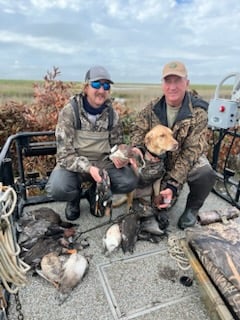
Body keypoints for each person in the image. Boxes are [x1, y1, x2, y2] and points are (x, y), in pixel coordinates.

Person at [130, 61, 216, 230]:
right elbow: (138, 132)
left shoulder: (198, 112)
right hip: (158, 164)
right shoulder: (152, 107)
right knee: (158, 206)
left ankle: (191, 210)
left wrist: (172, 185)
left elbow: (191, 152)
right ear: (163, 84)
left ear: (187, 83)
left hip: (182, 161)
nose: (172, 87)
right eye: (168, 81)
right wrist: (138, 150)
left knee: (205, 172)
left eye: (178, 81)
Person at [46, 65, 138, 220]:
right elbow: (64, 156)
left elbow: (116, 145)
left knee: (129, 181)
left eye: (106, 86)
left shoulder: (112, 115)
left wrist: (126, 154)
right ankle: (73, 200)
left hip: (102, 163)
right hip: (75, 164)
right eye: (96, 84)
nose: (101, 90)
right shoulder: (70, 111)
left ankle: (93, 192)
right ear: (86, 87)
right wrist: (89, 168)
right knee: (57, 188)